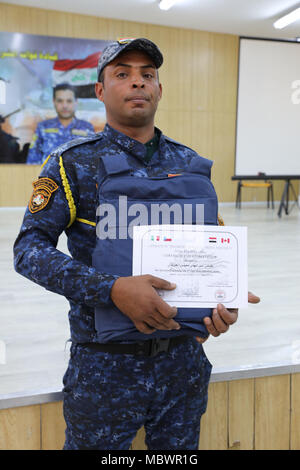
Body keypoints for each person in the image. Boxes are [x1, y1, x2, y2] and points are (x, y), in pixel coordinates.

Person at [14, 38, 260, 450]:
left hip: (183, 363)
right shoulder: (71, 163)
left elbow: (208, 249)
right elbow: (29, 250)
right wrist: (111, 289)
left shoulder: (191, 165)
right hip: (103, 367)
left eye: (148, 75)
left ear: (160, 89)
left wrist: (222, 296)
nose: (138, 83)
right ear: (100, 90)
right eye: (123, 74)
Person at [26, 83, 94, 164]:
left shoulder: (86, 128)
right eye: (60, 101)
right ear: (54, 102)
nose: (64, 105)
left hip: (78, 176)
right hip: (48, 176)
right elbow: (32, 161)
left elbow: (92, 160)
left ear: (76, 102)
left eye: (69, 101)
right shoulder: (43, 127)